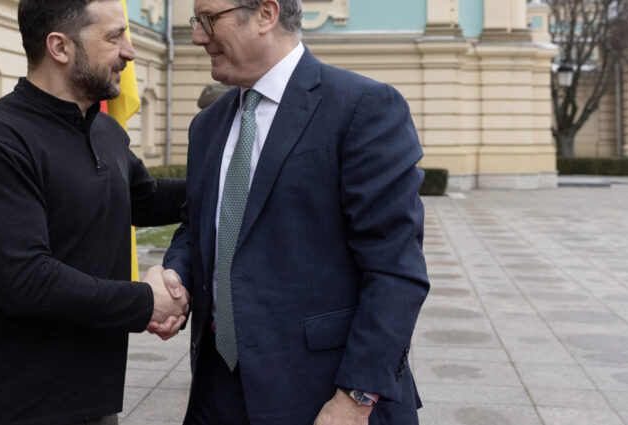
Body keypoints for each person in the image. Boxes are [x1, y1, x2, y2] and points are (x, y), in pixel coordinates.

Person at [161, 0, 430, 424]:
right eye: (197, 21)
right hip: (216, 391)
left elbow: (395, 271)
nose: (197, 37)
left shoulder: (363, 107)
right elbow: (196, 228)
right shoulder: (206, 126)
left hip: (323, 397)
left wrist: (355, 400)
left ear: (266, 14)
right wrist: (174, 277)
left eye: (209, 20)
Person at [0, 0, 188, 424]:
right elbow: (27, 279)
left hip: (93, 399)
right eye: (114, 37)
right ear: (60, 47)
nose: (129, 52)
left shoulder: (104, 129)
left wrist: (233, 185)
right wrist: (145, 302)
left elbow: (144, 198)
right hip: (14, 406)